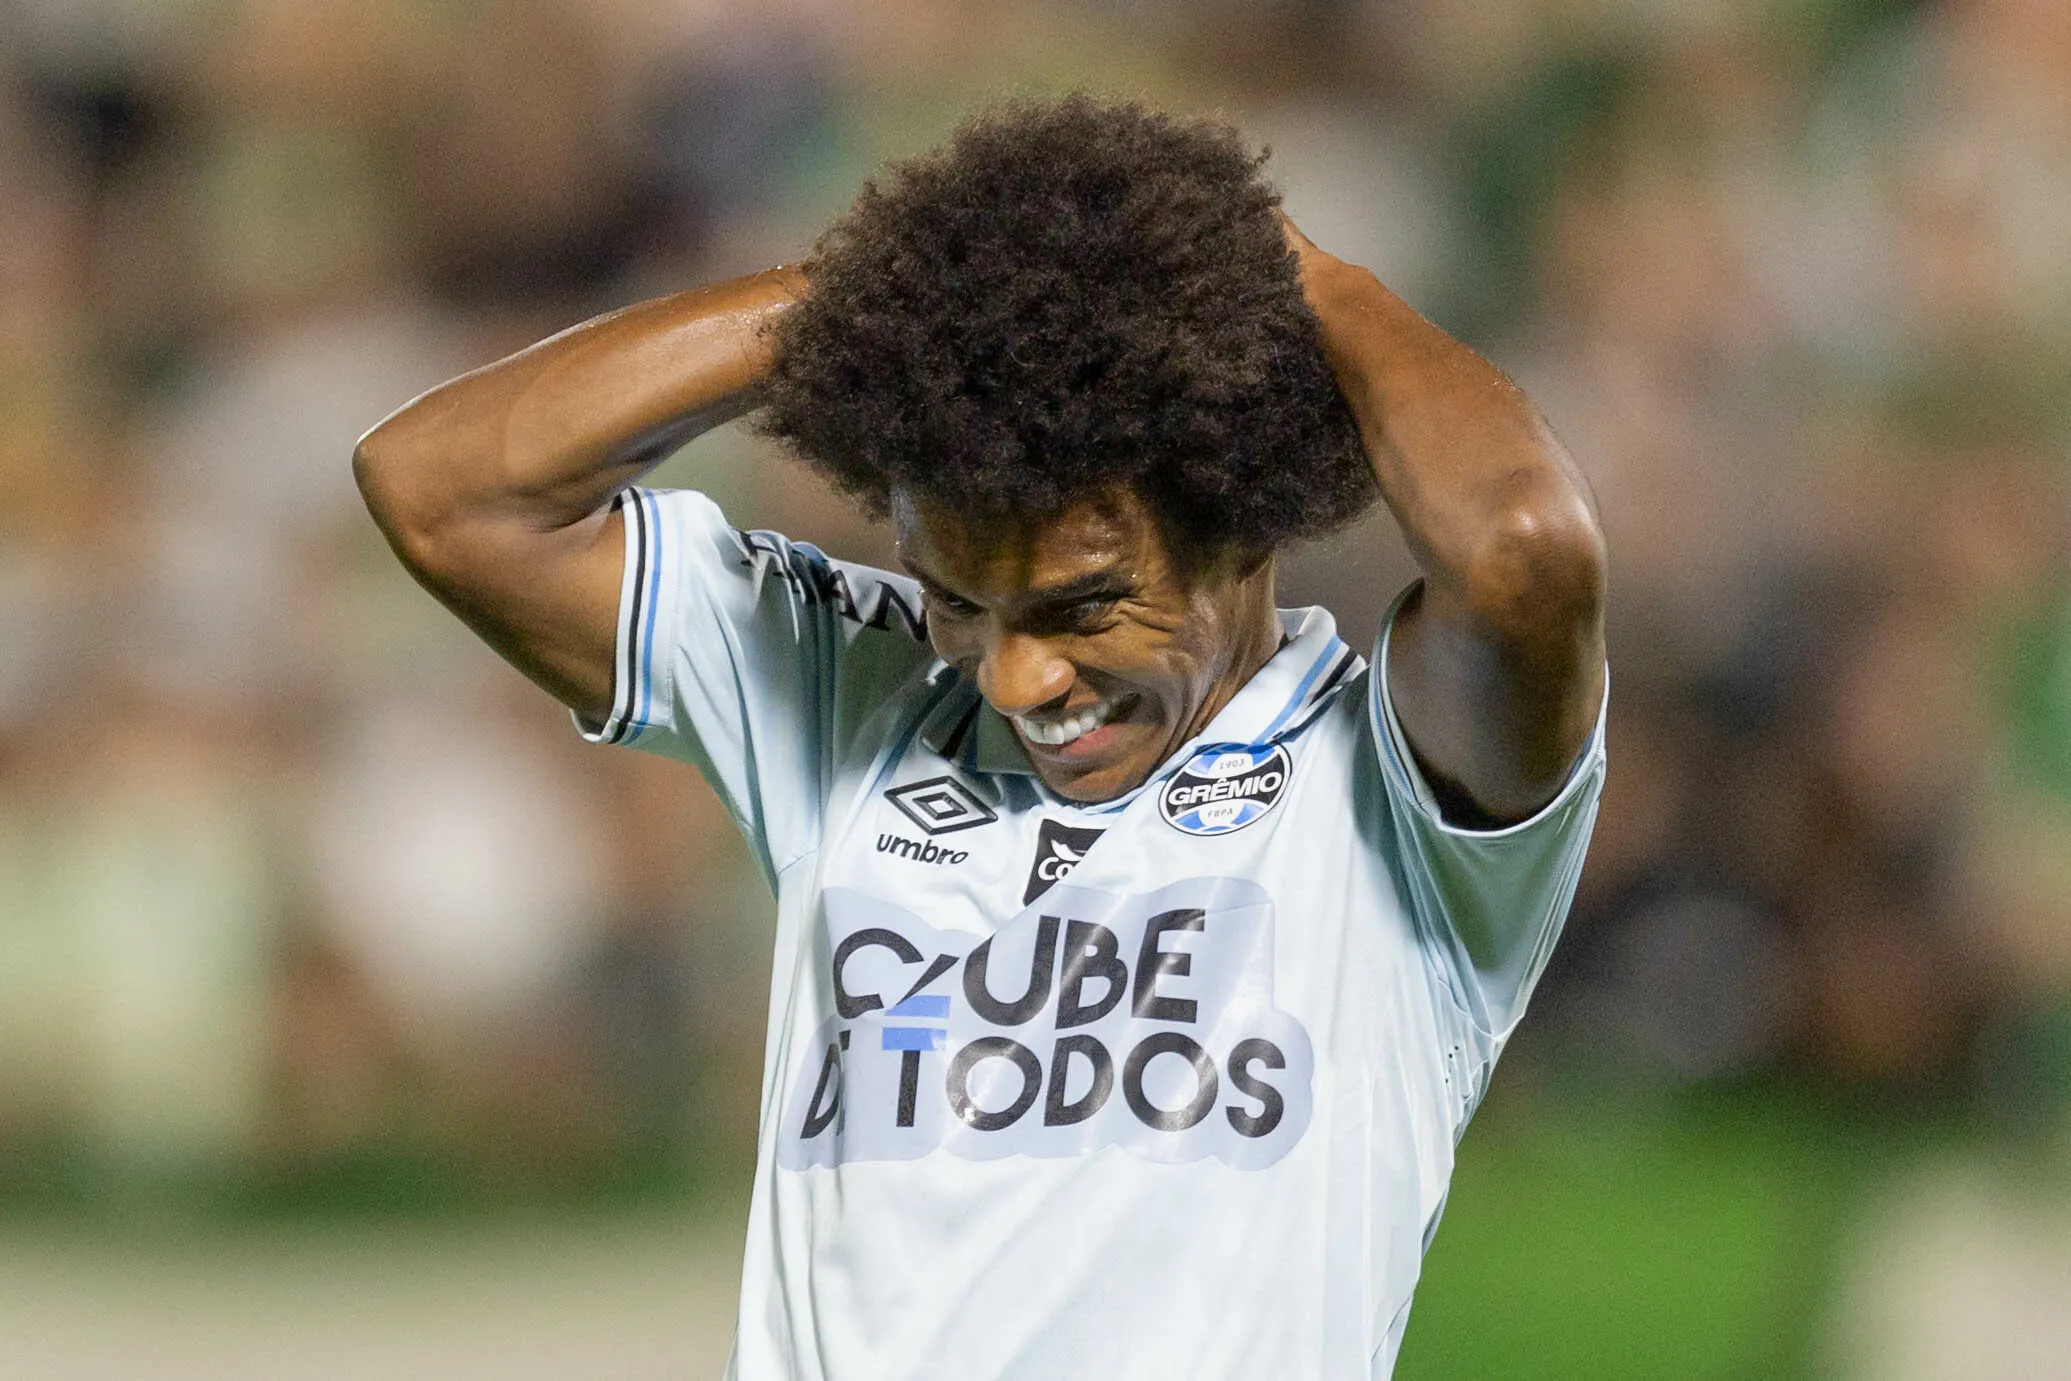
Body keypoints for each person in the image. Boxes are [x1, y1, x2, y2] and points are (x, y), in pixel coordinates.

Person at [354, 95, 1607, 1381]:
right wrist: (890, 300)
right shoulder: (852, 692)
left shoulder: (1390, 795)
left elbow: (1523, 553)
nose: (1014, 678)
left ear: (1240, 524)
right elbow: (442, 491)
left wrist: (1303, 284)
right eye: (957, 600)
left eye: (1081, 607)